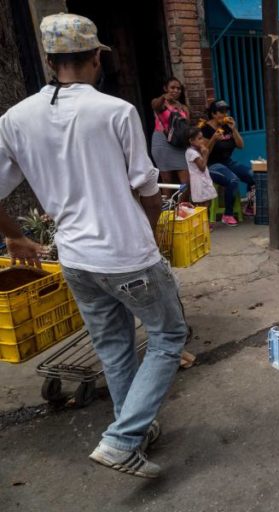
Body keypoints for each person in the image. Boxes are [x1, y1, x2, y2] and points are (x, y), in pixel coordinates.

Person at [0, 13, 188, 478]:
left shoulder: (15, 119)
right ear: (96, 58)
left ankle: (134, 431)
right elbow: (148, 189)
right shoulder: (116, 111)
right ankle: (123, 438)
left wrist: (16, 237)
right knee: (168, 337)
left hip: (77, 261)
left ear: (49, 60)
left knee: (115, 348)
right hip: (127, 256)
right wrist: (148, 232)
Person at [201, 100, 255, 226]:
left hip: (227, 162)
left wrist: (234, 129)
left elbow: (241, 145)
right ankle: (228, 214)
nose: (224, 114)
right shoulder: (205, 129)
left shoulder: (227, 127)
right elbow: (204, 152)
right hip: (212, 164)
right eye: (221, 112)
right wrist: (214, 139)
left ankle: (249, 206)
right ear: (214, 114)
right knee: (233, 180)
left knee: (253, 176)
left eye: (226, 111)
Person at [150, 77, 190, 187]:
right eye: (172, 88)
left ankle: (182, 204)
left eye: (178, 88)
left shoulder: (184, 108)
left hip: (179, 143)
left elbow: (187, 127)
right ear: (165, 88)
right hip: (162, 142)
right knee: (167, 181)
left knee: (186, 181)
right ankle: (168, 204)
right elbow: (155, 106)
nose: (176, 91)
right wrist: (163, 97)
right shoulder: (159, 103)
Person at [185, 127, 218, 212]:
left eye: (202, 137)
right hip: (199, 181)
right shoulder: (192, 153)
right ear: (191, 141)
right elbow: (202, 168)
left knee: (207, 201)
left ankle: (205, 222)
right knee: (203, 204)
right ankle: (204, 222)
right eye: (199, 139)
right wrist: (206, 155)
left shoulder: (195, 150)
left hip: (202, 179)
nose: (202, 140)